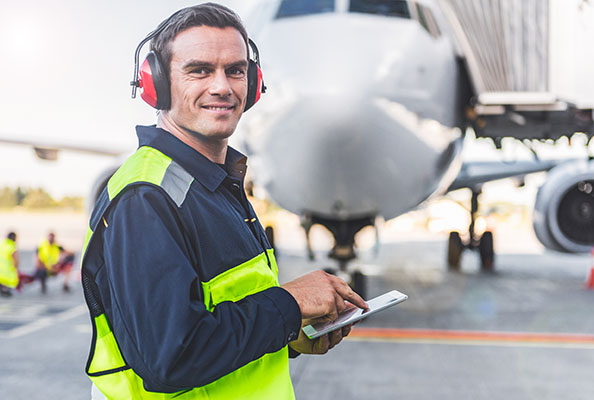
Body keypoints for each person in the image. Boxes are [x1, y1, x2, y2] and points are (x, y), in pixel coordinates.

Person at [81, 3, 368, 400]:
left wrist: (290, 334)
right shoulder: (146, 197)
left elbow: (220, 325)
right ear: (157, 84)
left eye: (236, 70)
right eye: (199, 70)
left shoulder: (214, 184)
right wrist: (290, 303)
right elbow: (172, 360)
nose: (222, 87)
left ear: (253, 84)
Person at [0, 232, 19, 297]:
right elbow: (15, 261)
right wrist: (15, 268)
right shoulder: (12, 247)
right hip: (7, 274)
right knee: (13, 281)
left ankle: (3, 288)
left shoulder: (2, 244)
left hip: (0, 273)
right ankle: (6, 290)